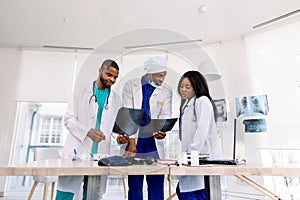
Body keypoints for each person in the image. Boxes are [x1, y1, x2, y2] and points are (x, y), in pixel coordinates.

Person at [56, 59, 121, 200]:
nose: (112, 79)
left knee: (92, 195)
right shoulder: (81, 91)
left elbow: (112, 127)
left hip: (100, 155)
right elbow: (68, 119)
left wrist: (119, 137)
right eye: (109, 75)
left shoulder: (116, 99)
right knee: (64, 195)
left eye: (115, 77)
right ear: (100, 70)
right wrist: (88, 132)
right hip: (77, 150)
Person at [117, 56, 172, 200]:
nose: (162, 80)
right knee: (135, 185)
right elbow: (128, 115)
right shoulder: (131, 85)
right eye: (159, 76)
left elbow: (166, 115)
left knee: (156, 184)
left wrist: (162, 131)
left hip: (153, 144)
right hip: (135, 142)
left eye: (164, 76)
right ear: (149, 73)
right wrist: (131, 141)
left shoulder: (167, 90)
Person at [177, 70, 223, 200]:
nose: (183, 90)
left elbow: (202, 130)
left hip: (203, 157)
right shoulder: (188, 104)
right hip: (195, 158)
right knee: (188, 190)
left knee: (188, 191)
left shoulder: (202, 101)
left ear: (196, 87)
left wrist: (192, 153)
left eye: (187, 87)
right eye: (181, 86)